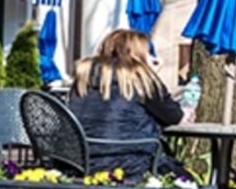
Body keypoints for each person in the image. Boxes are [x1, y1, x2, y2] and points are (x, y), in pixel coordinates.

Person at [69, 29, 184, 179]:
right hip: (130, 164)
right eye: (148, 52)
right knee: (187, 181)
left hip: (80, 164)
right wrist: (152, 74)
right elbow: (173, 116)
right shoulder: (141, 78)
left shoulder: (83, 77)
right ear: (137, 54)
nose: (151, 57)